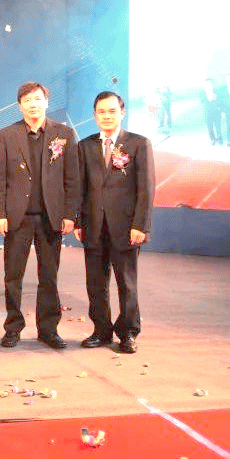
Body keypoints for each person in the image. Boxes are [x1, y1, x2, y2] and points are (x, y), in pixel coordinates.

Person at [0, 81, 80, 349]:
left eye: (38, 99)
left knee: (49, 276)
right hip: (17, 218)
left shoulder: (64, 134)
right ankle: (13, 328)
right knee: (13, 277)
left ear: (46, 102)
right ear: (20, 106)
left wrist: (70, 214)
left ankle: (48, 330)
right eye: (27, 100)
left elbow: (72, 178)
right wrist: (0, 214)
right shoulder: (7, 135)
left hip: (51, 217)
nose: (33, 104)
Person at [74, 91, 154, 354]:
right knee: (95, 284)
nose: (106, 116)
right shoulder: (85, 146)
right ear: (94, 115)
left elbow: (146, 188)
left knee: (126, 283)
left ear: (122, 113)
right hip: (93, 226)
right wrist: (78, 222)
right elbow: (79, 188)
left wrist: (141, 225)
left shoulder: (139, 144)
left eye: (112, 111)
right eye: (101, 112)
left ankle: (128, 332)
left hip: (126, 227)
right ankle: (101, 331)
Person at [199, 78, 222, 145]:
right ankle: (212, 139)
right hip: (207, 113)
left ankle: (220, 139)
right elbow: (201, 101)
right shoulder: (202, 93)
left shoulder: (216, 91)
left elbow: (220, 102)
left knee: (218, 127)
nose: (208, 85)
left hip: (216, 112)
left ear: (212, 84)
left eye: (209, 83)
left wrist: (216, 98)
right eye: (206, 83)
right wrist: (205, 96)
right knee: (210, 128)